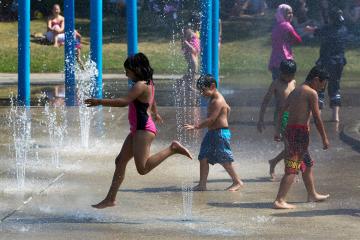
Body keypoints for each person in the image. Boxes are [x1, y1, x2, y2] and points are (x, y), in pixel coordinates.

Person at [85, 53, 192, 209]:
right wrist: (155, 112)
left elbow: (123, 102)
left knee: (142, 168)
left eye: (127, 70)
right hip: (138, 129)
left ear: (136, 69)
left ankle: (172, 149)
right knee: (120, 160)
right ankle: (110, 199)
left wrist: (99, 101)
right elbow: (152, 99)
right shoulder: (148, 83)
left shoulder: (140, 85)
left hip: (143, 130)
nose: (125, 74)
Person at [273, 66, 330, 209]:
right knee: (292, 167)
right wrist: (324, 138)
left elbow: (282, 110)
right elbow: (317, 118)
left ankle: (312, 194)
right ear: (316, 80)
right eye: (322, 85)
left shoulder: (296, 90)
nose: (322, 88)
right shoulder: (311, 93)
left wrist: (278, 130)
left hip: (290, 131)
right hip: (299, 134)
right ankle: (279, 200)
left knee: (307, 164)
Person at [185, 75, 243, 192]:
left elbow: (211, 120)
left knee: (224, 158)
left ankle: (237, 181)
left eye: (203, 90)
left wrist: (196, 126)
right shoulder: (214, 99)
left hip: (220, 134)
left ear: (212, 86)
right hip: (212, 133)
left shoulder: (217, 100)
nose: (202, 93)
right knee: (203, 157)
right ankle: (202, 184)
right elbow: (228, 108)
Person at [305, 7, 347, 122]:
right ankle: (335, 117)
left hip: (326, 62)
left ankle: (317, 116)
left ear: (331, 18)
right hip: (339, 62)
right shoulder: (344, 29)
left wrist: (309, 29)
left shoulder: (327, 29)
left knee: (320, 88)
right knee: (335, 87)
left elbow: (315, 31)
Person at [257, 59, 297, 181]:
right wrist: (261, 119)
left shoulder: (294, 82)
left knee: (292, 147)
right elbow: (265, 101)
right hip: (281, 117)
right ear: (281, 73)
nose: (289, 78)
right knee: (290, 146)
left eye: (292, 75)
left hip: (293, 116)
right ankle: (289, 173)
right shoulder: (276, 84)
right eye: (287, 75)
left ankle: (274, 162)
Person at [269, 4, 302, 82]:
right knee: (287, 87)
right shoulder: (287, 25)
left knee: (277, 86)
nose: (291, 15)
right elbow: (298, 40)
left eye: (291, 13)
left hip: (274, 61)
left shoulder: (276, 26)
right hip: (285, 60)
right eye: (288, 13)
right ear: (282, 14)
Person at [181, 26, 200, 90]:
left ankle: (183, 81)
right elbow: (184, 40)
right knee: (194, 68)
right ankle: (189, 85)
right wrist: (191, 47)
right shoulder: (189, 30)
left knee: (193, 69)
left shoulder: (197, 31)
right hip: (190, 52)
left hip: (195, 53)